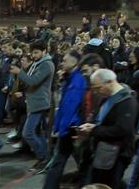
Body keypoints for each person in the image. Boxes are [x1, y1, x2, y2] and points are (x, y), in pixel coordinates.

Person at [76, 68, 138, 189]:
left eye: (98, 88)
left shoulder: (127, 102)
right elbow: (100, 119)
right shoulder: (106, 97)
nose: (96, 92)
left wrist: (94, 130)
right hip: (102, 152)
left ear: (110, 82)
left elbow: (122, 130)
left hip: (116, 155)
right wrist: (90, 125)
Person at [42, 51, 87, 189]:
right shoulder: (69, 79)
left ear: (74, 63)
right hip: (68, 128)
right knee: (72, 161)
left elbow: (70, 106)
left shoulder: (78, 81)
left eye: (65, 60)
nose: (62, 63)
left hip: (71, 129)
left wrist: (62, 128)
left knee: (66, 161)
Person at [9, 38, 55, 171]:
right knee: (37, 132)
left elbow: (34, 81)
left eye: (36, 52)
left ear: (44, 51)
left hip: (39, 103)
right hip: (34, 101)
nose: (33, 55)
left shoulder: (46, 64)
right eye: (32, 53)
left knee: (27, 133)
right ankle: (47, 158)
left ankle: (43, 158)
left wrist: (19, 72)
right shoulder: (39, 62)